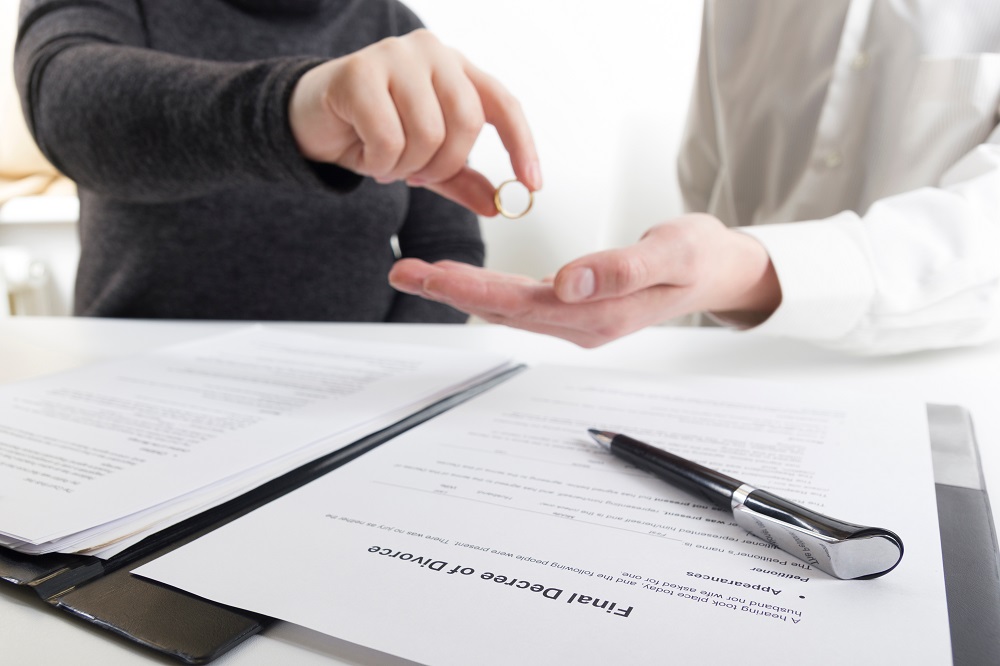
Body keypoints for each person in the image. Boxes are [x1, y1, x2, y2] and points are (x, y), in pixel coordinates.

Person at [390, 0, 1000, 355]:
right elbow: (708, 173)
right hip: (720, 365)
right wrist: (669, 326)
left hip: (932, 379)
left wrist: (744, 271)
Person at [14, 0, 540, 321]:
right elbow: (65, 101)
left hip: (351, 403)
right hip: (135, 390)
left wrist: (392, 372)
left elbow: (448, 244)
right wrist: (288, 109)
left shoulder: (392, 23)